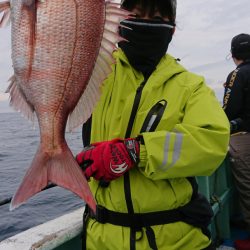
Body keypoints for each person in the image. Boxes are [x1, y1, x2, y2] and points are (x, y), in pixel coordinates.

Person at [76, 0, 230, 249]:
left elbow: (212, 141)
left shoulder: (191, 86)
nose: (145, 24)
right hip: (102, 239)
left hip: (178, 240)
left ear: (171, 30)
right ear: (119, 22)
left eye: (157, 18)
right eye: (135, 15)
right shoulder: (96, 73)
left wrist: (135, 151)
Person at [223, 33, 250, 249]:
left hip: (244, 137)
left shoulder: (237, 74)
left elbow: (228, 111)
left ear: (233, 54)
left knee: (247, 185)